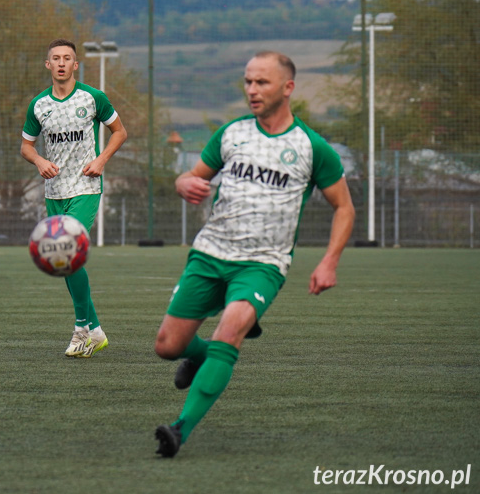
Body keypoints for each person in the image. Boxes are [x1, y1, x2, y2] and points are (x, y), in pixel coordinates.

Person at [152, 51, 355, 458]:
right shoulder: (231, 134)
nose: (251, 90)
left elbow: (344, 207)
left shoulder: (312, 148)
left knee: (230, 330)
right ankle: (206, 358)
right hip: (210, 254)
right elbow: (191, 176)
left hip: (263, 264)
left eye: (261, 82)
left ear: (288, 88)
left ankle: (179, 430)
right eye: (247, 82)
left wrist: (329, 260)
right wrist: (182, 184)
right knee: (167, 346)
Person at [20, 38, 128, 358]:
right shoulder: (39, 105)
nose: (63, 63)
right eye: (57, 58)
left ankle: (82, 328)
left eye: (68, 58)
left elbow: (119, 132)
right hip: (54, 192)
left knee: (68, 252)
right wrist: (39, 160)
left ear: (76, 65)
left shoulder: (93, 98)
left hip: (86, 187)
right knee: (62, 261)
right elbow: (26, 146)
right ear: (48, 65)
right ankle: (95, 331)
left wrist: (101, 160)